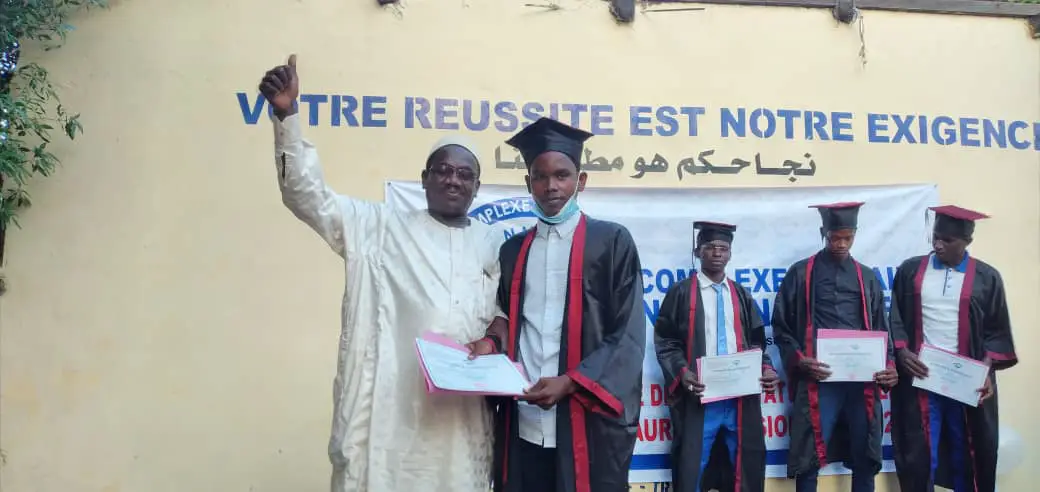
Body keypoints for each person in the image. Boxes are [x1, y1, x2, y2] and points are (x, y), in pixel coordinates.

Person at [258, 54, 502, 492]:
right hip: (391, 419)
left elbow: (499, 311)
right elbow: (306, 196)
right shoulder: (377, 227)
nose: (453, 180)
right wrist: (286, 115)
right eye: (443, 171)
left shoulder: (490, 242)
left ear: (476, 187)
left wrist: (492, 339)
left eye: (464, 175)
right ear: (424, 179)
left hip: (461, 424)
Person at [466, 117, 646, 492]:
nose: (552, 186)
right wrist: (489, 344)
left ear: (580, 181)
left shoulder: (611, 242)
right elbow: (504, 318)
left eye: (562, 175)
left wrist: (571, 382)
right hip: (524, 418)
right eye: (540, 176)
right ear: (528, 183)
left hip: (587, 420)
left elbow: (627, 333)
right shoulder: (514, 250)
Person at [888, 205, 1017, 492]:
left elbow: (997, 331)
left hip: (965, 383)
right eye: (936, 236)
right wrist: (901, 351)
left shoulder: (987, 277)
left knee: (968, 453)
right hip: (922, 379)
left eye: (948, 239)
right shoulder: (911, 270)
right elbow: (895, 317)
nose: (938, 244)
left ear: (967, 242)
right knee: (920, 454)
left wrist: (986, 369)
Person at [771, 202, 899, 492]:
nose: (841, 244)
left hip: (862, 382)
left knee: (865, 453)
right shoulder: (801, 274)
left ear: (855, 235)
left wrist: (889, 364)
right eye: (834, 238)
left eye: (847, 238)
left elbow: (882, 327)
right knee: (809, 457)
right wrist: (799, 359)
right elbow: (781, 325)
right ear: (823, 232)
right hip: (820, 379)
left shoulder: (867, 277)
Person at [653, 221, 779, 492]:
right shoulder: (681, 292)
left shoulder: (741, 295)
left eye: (723, 248)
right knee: (691, 465)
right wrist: (682, 372)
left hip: (739, 399)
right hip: (701, 396)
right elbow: (667, 341)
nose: (717, 253)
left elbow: (757, 344)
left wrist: (766, 368)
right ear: (698, 252)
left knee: (744, 463)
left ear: (731, 253)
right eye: (710, 247)